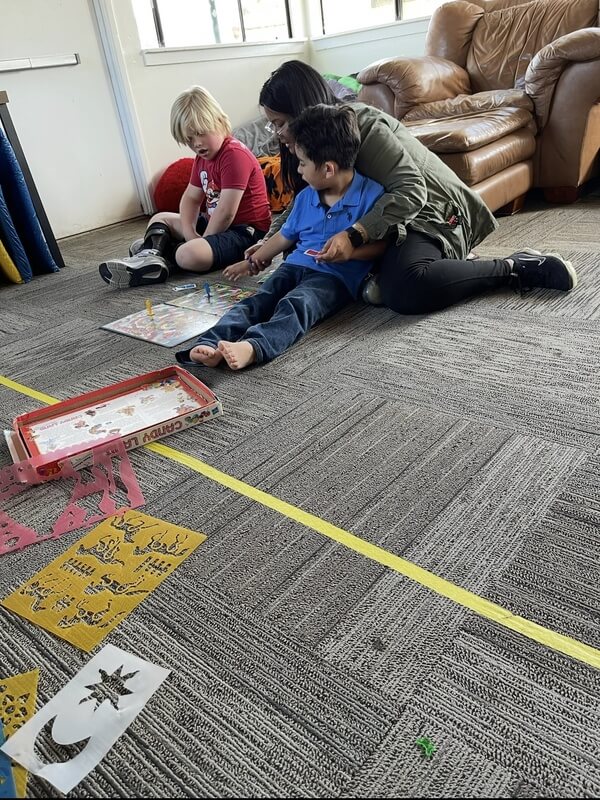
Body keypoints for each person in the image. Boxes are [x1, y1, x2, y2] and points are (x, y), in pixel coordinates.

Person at [238, 60, 577, 313]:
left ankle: (515, 268)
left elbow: (413, 191)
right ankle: (400, 271)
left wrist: (355, 234)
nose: (278, 134)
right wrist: (267, 243)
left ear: (303, 111)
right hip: (385, 222)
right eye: (273, 126)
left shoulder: (361, 126)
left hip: (430, 211)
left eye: (280, 124)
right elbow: (304, 203)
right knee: (299, 259)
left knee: (408, 289)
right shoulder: (306, 151)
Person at [175, 104, 386, 371]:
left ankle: (254, 347)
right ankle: (211, 342)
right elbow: (284, 238)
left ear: (328, 169)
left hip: (334, 277)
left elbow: (382, 247)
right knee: (259, 300)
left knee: (297, 305)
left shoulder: (372, 196)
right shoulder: (306, 196)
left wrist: (352, 253)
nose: (298, 170)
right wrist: (251, 262)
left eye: (302, 163)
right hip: (294, 266)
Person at [99, 85, 271, 288]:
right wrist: (190, 231)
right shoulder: (201, 159)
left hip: (245, 233)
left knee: (189, 254)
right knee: (159, 217)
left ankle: (159, 253)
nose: (197, 144)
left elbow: (225, 212)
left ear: (219, 122)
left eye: (201, 133)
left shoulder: (234, 155)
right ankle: (152, 253)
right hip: (214, 225)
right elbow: (190, 198)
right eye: (189, 139)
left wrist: (201, 241)